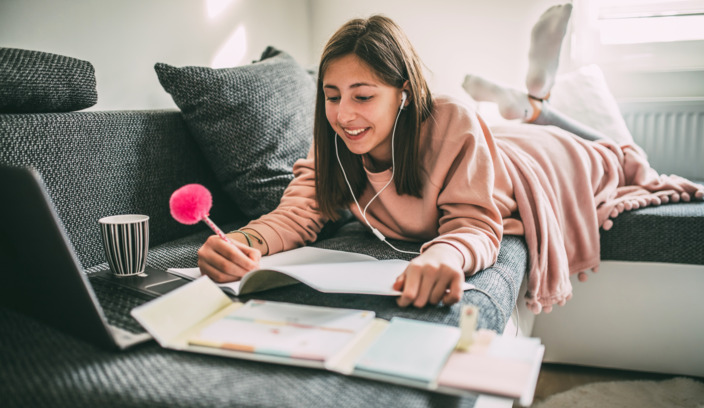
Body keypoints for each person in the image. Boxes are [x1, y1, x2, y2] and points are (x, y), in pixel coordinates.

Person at [197, 6, 703, 312]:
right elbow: (299, 211)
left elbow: (475, 224)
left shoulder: (450, 119)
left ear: (402, 93)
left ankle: (539, 111)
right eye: (332, 96)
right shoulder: (334, 140)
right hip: (494, 149)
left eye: (363, 95)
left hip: (544, 163)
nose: (344, 114)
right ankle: (529, 109)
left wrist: (442, 255)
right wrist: (244, 241)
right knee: (507, 135)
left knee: (617, 157)